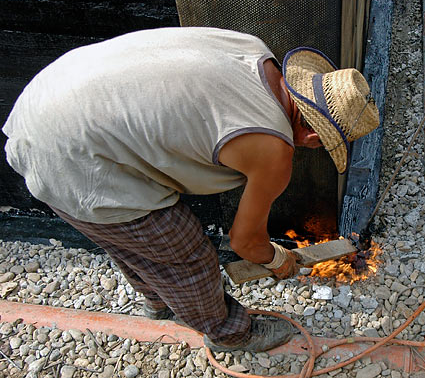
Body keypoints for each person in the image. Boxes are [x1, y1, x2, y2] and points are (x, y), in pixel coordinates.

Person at [2, 27, 379, 352]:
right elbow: (244, 243)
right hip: (68, 156)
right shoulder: (272, 148)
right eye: (320, 145)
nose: (312, 150)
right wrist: (281, 261)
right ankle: (228, 334)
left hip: (48, 96)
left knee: (133, 240)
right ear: (313, 134)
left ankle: (159, 302)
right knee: (185, 255)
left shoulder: (253, 49)